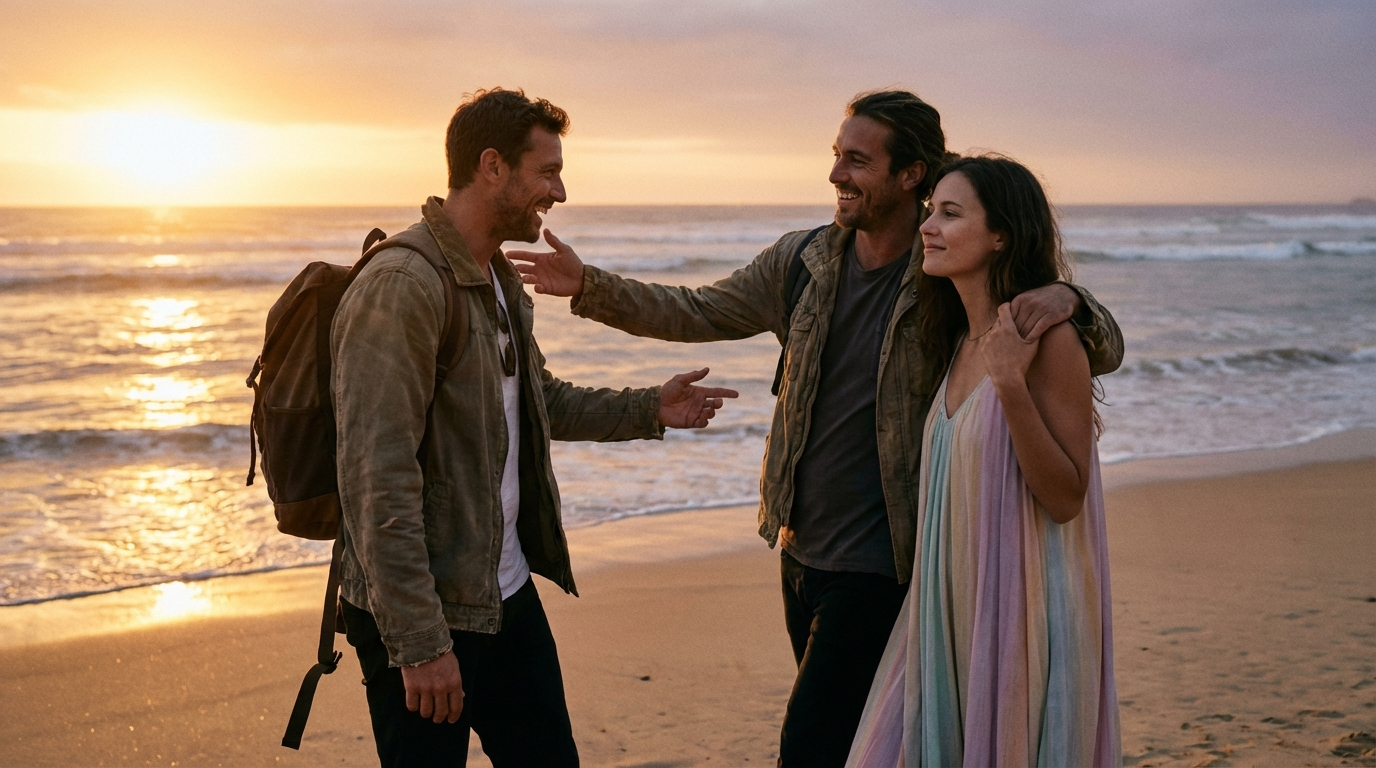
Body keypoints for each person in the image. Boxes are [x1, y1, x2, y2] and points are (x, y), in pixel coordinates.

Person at [509, 90, 1124, 766]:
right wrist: (588, 285)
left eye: (857, 161)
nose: (837, 175)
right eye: (837, 157)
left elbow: (1052, 316)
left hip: (885, 564)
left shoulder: (939, 273)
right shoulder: (804, 262)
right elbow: (697, 309)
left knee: (813, 747)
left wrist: (1070, 297)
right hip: (802, 554)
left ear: (910, 174)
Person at [331, 87, 738, 768]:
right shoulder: (403, 284)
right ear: (493, 166)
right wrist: (420, 643)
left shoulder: (496, 278)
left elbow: (534, 400)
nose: (561, 190)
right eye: (546, 171)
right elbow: (376, 478)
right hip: (429, 614)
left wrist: (648, 409)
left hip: (504, 595)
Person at [846, 155, 1120, 767]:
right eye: (930, 212)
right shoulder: (954, 340)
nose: (928, 227)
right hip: (951, 607)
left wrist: (1012, 387)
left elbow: (1066, 495)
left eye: (951, 213)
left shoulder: (1049, 342)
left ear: (1001, 234)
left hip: (1026, 614)